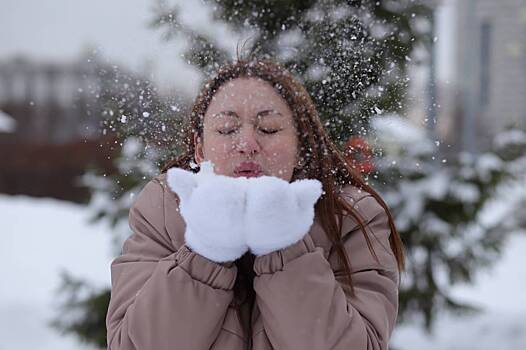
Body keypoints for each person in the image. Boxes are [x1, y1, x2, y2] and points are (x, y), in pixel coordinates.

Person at [105, 58, 405, 350]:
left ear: (301, 147)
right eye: (226, 129)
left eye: (269, 128)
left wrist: (284, 241)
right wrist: (207, 248)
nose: (247, 143)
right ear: (199, 149)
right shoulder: (163, 210)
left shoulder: (350, 218)